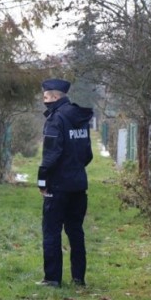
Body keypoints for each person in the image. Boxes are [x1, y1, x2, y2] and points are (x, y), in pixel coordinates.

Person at [37, 78, 94, 288]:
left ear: (54, 96)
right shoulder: (80, 118)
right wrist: (76, 168)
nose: (44, 101)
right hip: (79, 184)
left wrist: (42, 180)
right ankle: (79, 277)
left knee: (51, 230)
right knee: (75, 230)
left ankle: (52, 278)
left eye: (45, 97)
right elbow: (88, 154)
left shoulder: (56, 119)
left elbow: (51, 153)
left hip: (58, 186)